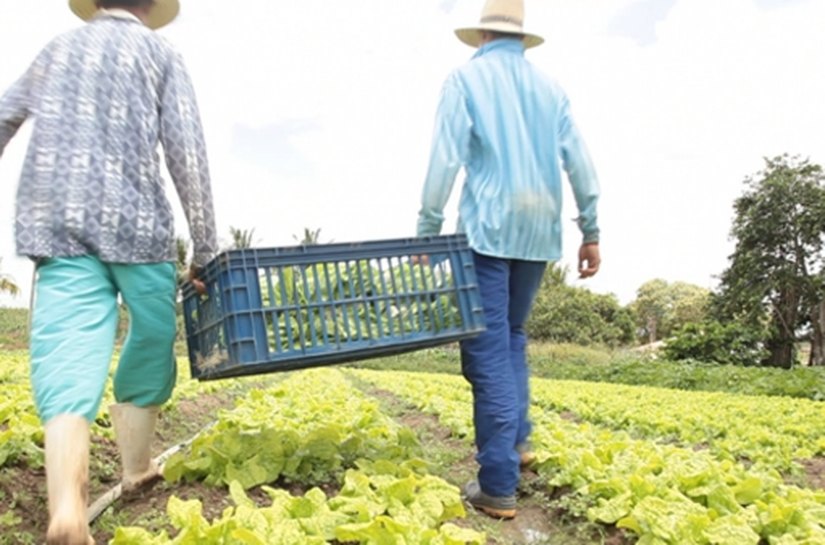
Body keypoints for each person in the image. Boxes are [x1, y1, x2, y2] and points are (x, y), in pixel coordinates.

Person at [0, 0, 217, 542]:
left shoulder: (59, 48)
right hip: (137, 226)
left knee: (68, 354)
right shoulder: (160, 53)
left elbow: (4, 116)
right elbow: (187, 153)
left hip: (59, 222)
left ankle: (68, 511)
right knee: (150, 338)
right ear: (150, 8)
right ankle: (135, 469)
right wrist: (206, 247)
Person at [416, 0, 601, 519]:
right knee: (513, 335)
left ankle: (497, 483)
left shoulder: (463, 81)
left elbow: (444, 159)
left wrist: (427, 231)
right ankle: (518, 445)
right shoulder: (551, 89)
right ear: (522, 38)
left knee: (488, 349)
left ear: (479, 36)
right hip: (539, 233)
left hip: (489, 232)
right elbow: (581, 163)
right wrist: (591, 230)